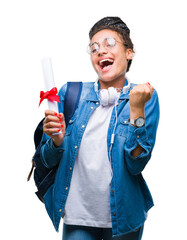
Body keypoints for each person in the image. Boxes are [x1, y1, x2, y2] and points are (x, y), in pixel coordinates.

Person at [40, 16, 160, 240]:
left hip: (124, 217)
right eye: (94, 47)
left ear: (129, 52)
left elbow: (136, 163)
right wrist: (56, 141)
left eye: (109, 43)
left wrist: (136, 111)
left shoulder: (145, 97)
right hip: (78, 216)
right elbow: (47, 159)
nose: (100, 51)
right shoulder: (71, 93)